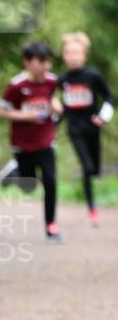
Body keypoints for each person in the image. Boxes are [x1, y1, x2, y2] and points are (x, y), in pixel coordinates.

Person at [0, 40, 63, 242]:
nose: (45, 66)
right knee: (29, 185)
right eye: (40, 61)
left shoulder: (52, 82)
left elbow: (53, 100)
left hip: (46, 140)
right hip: (23, 143)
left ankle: (51, 225)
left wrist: (56, 107)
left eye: (47, 61)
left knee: (50, 181)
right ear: (27, 62)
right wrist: (28, 116)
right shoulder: (16, 85)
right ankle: (16, 171)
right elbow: (2, 110)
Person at [58, 31, 114, 226]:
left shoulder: (93, 75)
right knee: (87, 167)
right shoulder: (62, 79)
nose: (72, 57)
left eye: (76, 52)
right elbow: (62, 108)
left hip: (93, 127)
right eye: (68, 52)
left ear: (84, 55)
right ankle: (92, 210)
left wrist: (102, 117)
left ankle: (91, 199)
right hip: (74, 129)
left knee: (95, 169)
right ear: (63, 55)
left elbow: (109, 97)